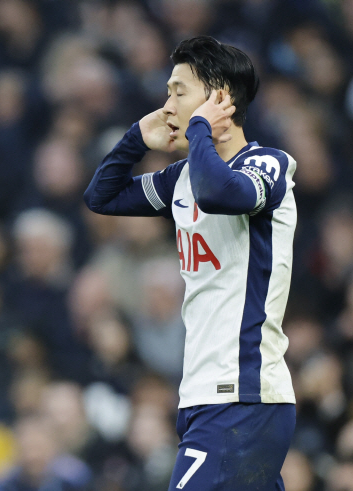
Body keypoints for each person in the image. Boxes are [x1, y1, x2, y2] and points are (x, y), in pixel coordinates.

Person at [84, 35, 297, 490]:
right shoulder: (180, 178)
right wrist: (136, 137)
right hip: (204, 393)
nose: (168, 105)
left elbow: (221, 193)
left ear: (221, 97)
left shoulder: (268, 164)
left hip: (244, 393)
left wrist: (199, 129)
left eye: (179, 92)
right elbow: (101, 197)